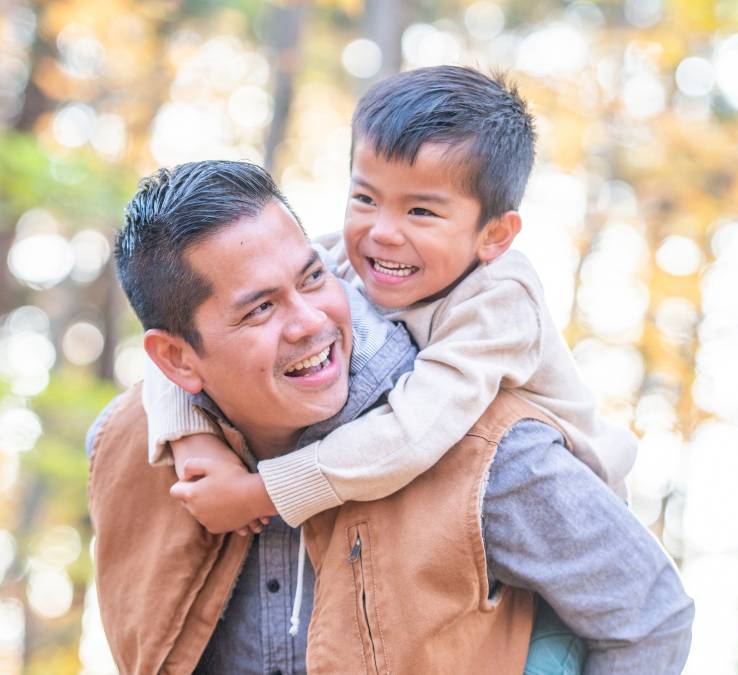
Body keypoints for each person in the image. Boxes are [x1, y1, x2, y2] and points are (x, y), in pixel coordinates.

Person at [87, 160, 694, 674]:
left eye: (312, 277)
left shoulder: (486, 451)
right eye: (260, 309)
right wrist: (189, 433)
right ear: (175, 359)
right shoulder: (122, 447)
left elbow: (649, 616)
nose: (311, 321)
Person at [141, 65, 638, 537]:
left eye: (421, 211)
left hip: (569, 515)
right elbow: (186, 332)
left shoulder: (499, 302)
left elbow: (409, 435)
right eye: (365, 199)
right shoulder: (333, 258)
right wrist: (192, 440)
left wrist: (257, 493)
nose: (382, 233)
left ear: (494, 235)